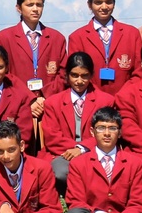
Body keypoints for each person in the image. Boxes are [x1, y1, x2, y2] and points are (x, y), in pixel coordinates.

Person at [64, 106, 142, 213]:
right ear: (92, 132)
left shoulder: (134, 163)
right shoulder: (78, 163)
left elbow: (138, 204)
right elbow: (75, 201)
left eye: (112, 128)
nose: (107, 133)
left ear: (120, 133)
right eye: (101, 128)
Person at [40, 52, 115, 192]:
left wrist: (81, 149)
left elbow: (107, 133)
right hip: (63, 154)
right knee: (61, 172)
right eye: (74, 75)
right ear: (67, 75)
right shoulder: (53, 102)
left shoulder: (105, 101)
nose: (79, 81)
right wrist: (73, 150)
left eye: (84, 76)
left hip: (95, 152)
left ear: (91, 75)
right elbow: (52, 137)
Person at [0, 0, 67, 107]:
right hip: (17, 104)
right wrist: (29, 98)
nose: (35, 9)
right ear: (18, 8)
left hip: (49, 104)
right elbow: (3, 73)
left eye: (39, 5)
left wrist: (45, 97)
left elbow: (64, 73)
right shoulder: (4, 38)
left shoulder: (57, 38)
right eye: (30, 5)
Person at [66, 0, 142, 95]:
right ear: (89, 5)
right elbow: (76, 74)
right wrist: (100, 98)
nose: (104, 7)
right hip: (92, 99)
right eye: (98, 2)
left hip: (126, 99)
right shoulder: (77, 37)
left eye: (108, 2)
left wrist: (124, 95)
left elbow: (139, 71)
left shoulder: (132, 34)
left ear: (114, 3)